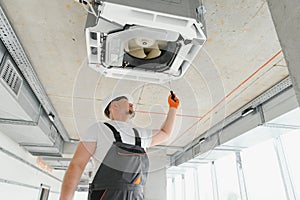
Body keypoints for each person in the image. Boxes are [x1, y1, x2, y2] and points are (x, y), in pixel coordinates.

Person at [59, 91, 180, 200]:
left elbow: (165, 133)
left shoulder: (140, 134)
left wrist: (173, 108)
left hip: (135, 195)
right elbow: (77, 165)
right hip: (106, 195)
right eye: (128, 102)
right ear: (114, 106)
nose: (132, 105)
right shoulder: (98, 129)